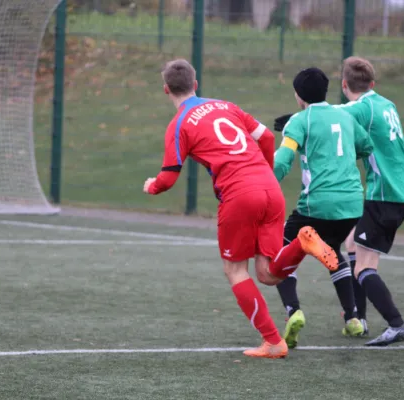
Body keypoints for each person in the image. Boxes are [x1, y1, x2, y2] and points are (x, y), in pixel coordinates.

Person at [142, 59, 339, 359]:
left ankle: (273, 341)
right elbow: (268, 137)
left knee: (234, 270)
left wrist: (151, 186)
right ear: (195, 84)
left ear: (165, 90)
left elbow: (168, 178)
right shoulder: (227, 106)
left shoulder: (179, 124)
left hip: (240, 195)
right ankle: (300, 243)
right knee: (268, 273)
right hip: (270, 188)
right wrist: (262, 170)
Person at [272, 67, 374, 349]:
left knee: (279, 253)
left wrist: (266, 184)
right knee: (330, 249)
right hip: (352, 204)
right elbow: (365, 147)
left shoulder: (298, 121)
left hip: (316, 205)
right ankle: (352, 318)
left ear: (298, 95)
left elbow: (282, 161)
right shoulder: (345, 116)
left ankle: (293, 311)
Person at [338, 56, 404, 346]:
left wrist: (299, 121)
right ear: (373, 83)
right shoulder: (386, 104)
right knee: (352, 243)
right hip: (400, 192)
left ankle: (397, 325)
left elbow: (333, 115)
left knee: (363, 268)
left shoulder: (362, 108)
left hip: (385, 195)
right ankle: (360, 319)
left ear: (345, 85)